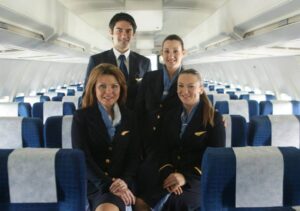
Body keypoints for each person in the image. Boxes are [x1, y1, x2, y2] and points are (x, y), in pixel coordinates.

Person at [72, 63, 139, 211]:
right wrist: (109, 184)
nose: (109, 91)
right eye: (102, 86)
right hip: (94, 182)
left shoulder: (130, 117)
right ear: (93, 88)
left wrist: (124, 182)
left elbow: (134, 156)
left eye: (114, 86)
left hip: (123, 181)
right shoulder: (81, 117)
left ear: (121, 88)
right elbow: (83, 157)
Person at [157, 69, 225, 211]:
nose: (184, 91)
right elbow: (161, 149)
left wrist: (184, 177)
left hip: (198, 179)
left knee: (176, 203)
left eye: (190, 86)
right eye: (180, 86)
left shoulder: (214, 119)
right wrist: (169, 173)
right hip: (168, 174)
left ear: (200, 89)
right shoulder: (170, 115)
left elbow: (215, 158)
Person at [134, 34, 186, 210]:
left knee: (152, 199)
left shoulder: (188, 79)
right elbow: (138, 111)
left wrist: (217, 116)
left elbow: (200, 106)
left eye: (175, 51)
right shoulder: (149, 78)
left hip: (172, 149)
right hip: (146, 148)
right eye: (166, 51)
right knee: (139, 199)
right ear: (161, 54)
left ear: (183, 53)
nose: (171, 55)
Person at [83, 12, 151, 109]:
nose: (124, 35)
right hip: (106, 119)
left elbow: (148, 96)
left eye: (128, 31)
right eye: (119, 30)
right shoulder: (97, 60)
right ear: (111, 32)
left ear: (133, 34)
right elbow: (87, 95)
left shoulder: (144, 62)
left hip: (135, 121)